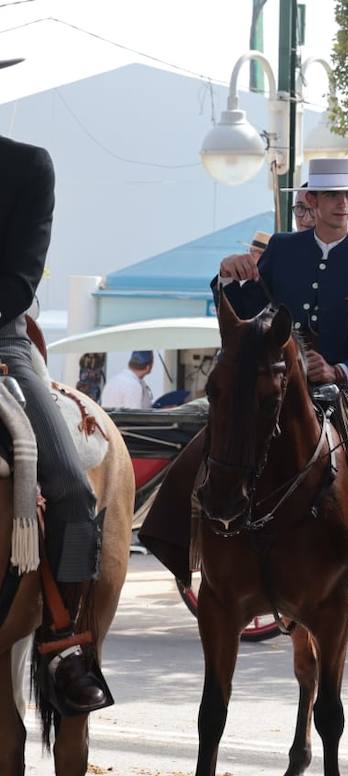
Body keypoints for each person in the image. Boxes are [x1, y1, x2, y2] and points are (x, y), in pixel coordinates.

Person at [0, 56, 109, 712]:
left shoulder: (27, 166)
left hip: (3, 340)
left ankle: (66, 646)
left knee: (69, 482)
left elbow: (19, 280)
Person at [216, 157, 348, 390]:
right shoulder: (282, 248)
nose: (343, 203)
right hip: (277, 389)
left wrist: (339, 372)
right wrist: (227, 274)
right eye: (332, 195)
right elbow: (243, 317)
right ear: (312, 199)